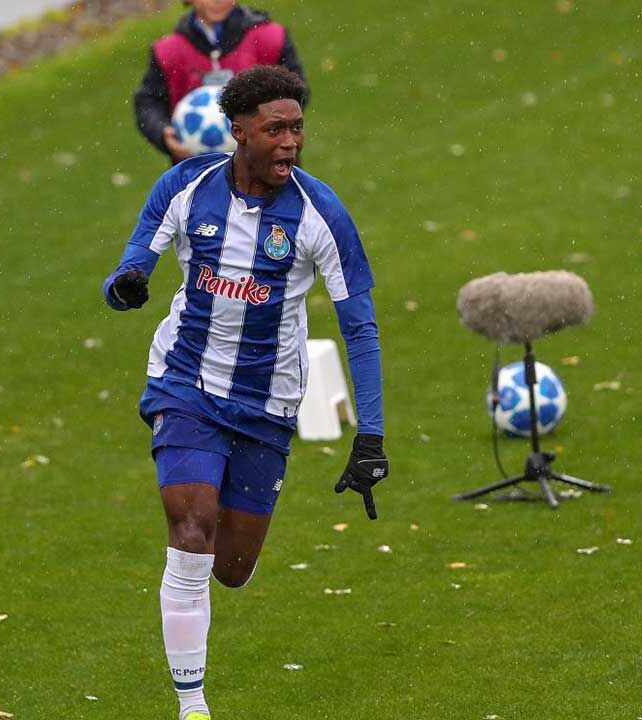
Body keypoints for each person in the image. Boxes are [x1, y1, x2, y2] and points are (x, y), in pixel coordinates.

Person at [103, 66, 386, 720]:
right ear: (239, 132)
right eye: (276, 129)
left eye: (298, 129)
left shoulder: (321, 214)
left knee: (230, 567)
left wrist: (370, 435)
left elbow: (360, 328)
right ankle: (192, 705)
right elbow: (133, 262)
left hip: (267, 402)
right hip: (186, 382)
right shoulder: (185, 186)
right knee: (190, 527)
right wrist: (125, 284)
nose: (291, 142)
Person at [133, 0, 307, 164]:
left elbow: (297, 93)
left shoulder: (271, 38)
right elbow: (148, 103)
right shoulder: (168, 51)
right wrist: (163, 134)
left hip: (268, 169)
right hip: (196, 171)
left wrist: (272, 127)